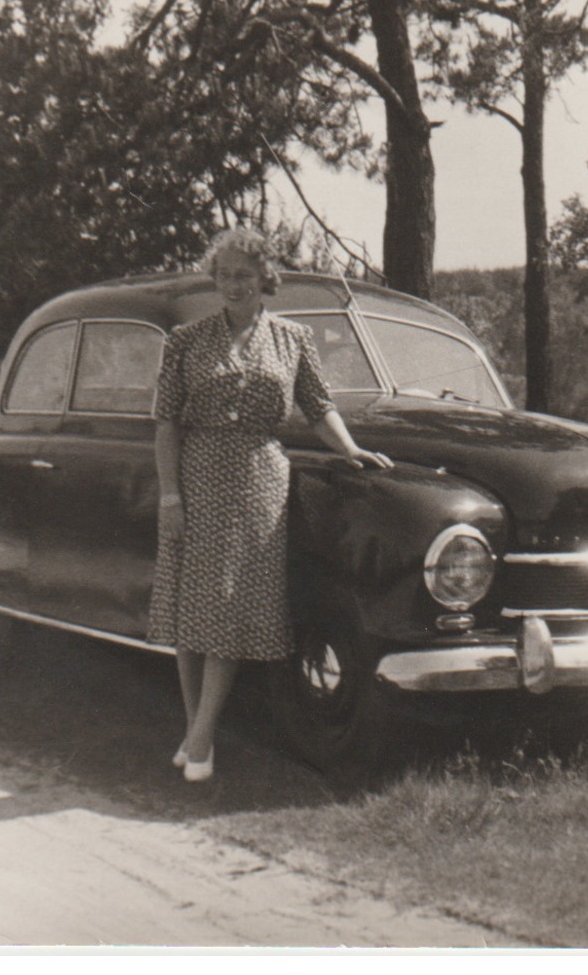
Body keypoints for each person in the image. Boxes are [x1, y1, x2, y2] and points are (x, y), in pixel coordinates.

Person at [148, 230, 392, 782]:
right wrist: (170, 495)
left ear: (265, 279)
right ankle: (196, 733)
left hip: (258, 481)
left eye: (244, 275)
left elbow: (317, 406)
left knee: (229, 611)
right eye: (225, 275)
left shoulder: (292, 340)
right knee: (193, 612)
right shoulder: (186, 340)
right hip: (196, 477)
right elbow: (166, 425)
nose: (233, 285)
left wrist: (351, 449)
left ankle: (202, 738)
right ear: (215, 279)